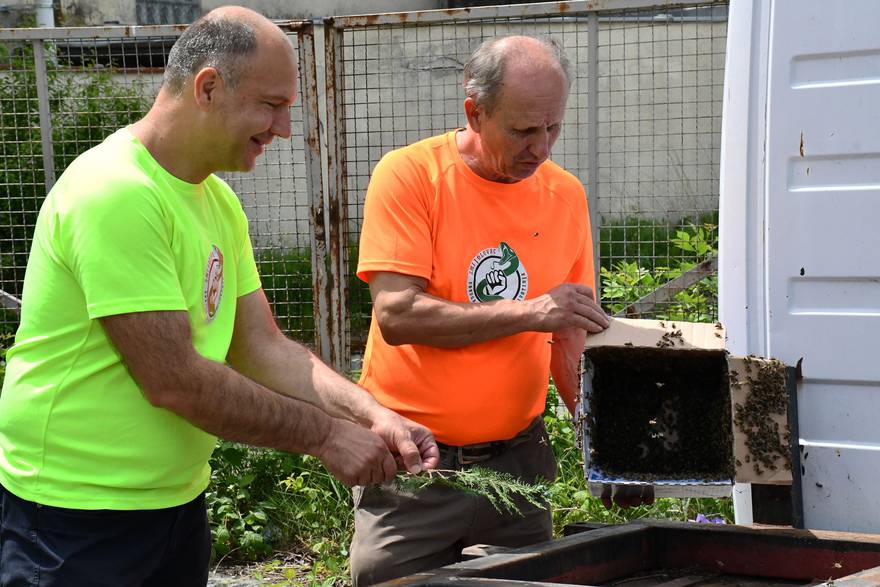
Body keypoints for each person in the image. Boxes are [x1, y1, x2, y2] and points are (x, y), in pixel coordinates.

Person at [0, 7, 438, 586]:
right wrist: (327, 435)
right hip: (73, 521)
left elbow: (258, 345)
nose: (283, 128)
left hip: (174, 506)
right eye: (272, 104)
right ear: (208, 87)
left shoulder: (216, 201)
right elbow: (173, 378)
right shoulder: (116, 192)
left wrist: (370, 412)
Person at [349, 35, 614, 584]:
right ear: (474, 111)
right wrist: (529, 311)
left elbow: (569, 339)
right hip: (412, 464)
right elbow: (397, 317)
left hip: (518, 464)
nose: (540, 148)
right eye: (522, 130)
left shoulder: (565, 196)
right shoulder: (410, 177)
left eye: (553, 128)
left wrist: (602, 446)